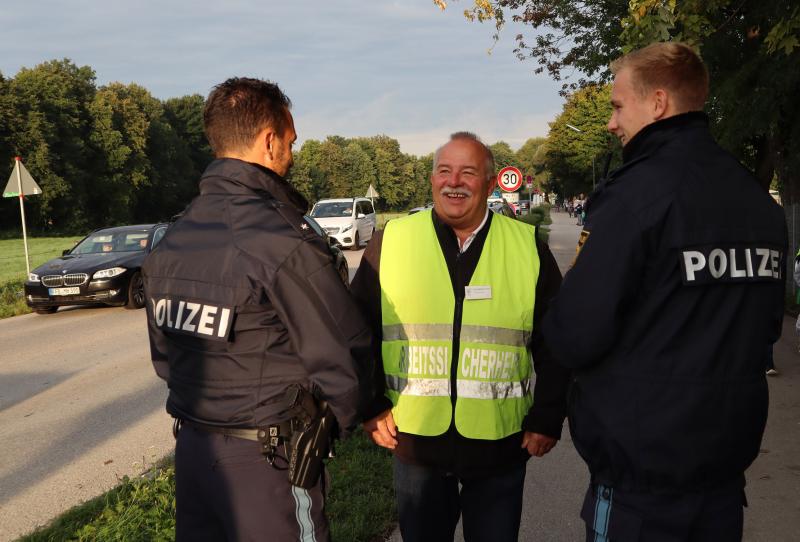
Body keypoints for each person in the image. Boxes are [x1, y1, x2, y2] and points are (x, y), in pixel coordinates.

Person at [542, 42, 787, 541]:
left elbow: (575, 334)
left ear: (657, 103)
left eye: (616, 106)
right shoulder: (755, 200)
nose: (612, 123)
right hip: (722, 473)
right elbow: (764, 330)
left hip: (641, 480)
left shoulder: (635, 196)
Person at [142, 77, 372, 542]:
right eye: (290, 140)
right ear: (269, 141)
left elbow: (165, 355)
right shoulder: (282, 240)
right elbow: (344, 352)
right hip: (270, 462)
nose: (292, 149)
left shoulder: (173, 238)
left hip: (192, 450)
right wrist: (360, 414)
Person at [351, 132, 570, 542]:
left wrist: (548, 417)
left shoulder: (526, 247)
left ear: (488, 184)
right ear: (432, 179)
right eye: (444, 171)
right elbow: (354, 330)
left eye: (468, 172)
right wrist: (369, 404)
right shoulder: (392, 241)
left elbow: (556, 342)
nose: (454, 182)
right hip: (416, 444)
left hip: (500, 444)